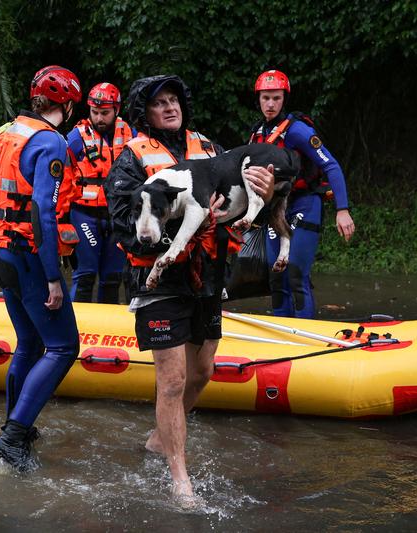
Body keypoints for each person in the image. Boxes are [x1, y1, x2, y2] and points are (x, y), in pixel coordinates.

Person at [105, 75, 274, 505]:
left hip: (209, 276)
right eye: (159, 103)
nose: (169, 108)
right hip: (159, 279)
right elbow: (124, 224)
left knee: (202, 373)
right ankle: (181, 481)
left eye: (174, 101)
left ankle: (157, 442)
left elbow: (240, 199)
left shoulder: (211, 149)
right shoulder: (131, 159)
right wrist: (178, 235)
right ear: (145, 113)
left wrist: (264, 191)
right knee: (174, 379)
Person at [0, 65, 82, 471]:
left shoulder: (7, 133)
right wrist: (54, 277)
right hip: (26, 255)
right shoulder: (50, 143)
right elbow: (42, 209)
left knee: (29, 344)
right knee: (62, 347)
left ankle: (15, 425)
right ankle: (12, 437)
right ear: (69, 105)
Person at [249, 69, 355, 318]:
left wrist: (343, 210)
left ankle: (303, 337)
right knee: (276, 277)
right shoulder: (257, 134)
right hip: (275, 210)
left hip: (305, 204)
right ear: (259, 100)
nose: (271, 104)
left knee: (296, 273)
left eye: (276, 98)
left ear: (284, 98)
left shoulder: (296, 131)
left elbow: (330, 165)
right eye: (266, 98)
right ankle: (281, 339)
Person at [65, 83, 136, 303]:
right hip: (84, 214)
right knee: (85, 275)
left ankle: (109, 330)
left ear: (117, 109)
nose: (99, 118)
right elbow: (62, 179)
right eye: (94, 113)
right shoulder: (76, 138)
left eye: (105, 113)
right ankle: (77, 329)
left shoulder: (132, 135)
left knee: (112, 277)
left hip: (118, 215)